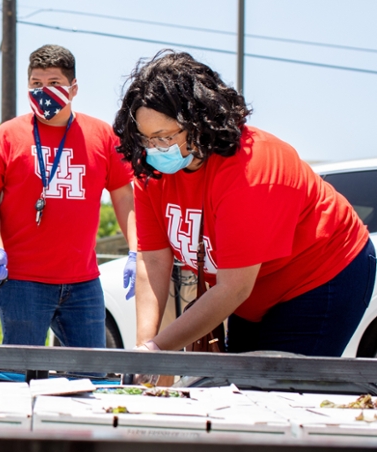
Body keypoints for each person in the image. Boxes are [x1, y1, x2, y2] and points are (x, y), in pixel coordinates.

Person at [113, 51, 376, 356]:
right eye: (144, 139)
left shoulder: (252, 170)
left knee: (283, 387)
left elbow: (234, 287)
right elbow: (153, 260)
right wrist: (143, 347)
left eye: (163, 137)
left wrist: (159, 348)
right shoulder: (151, 172)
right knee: (239, 384)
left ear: (197, 123)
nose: (153, 149)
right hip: (248, 291)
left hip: (319, 275)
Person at [0, 45, 137, 348]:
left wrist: (136, 251)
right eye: (36, 84)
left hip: (83, 282)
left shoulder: (102, 136)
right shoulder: (5, 137)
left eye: (54, 83)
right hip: (21, 281)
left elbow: (125, 198)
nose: (44, 91)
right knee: (22, 376)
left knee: (90, 375)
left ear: (73, 88)